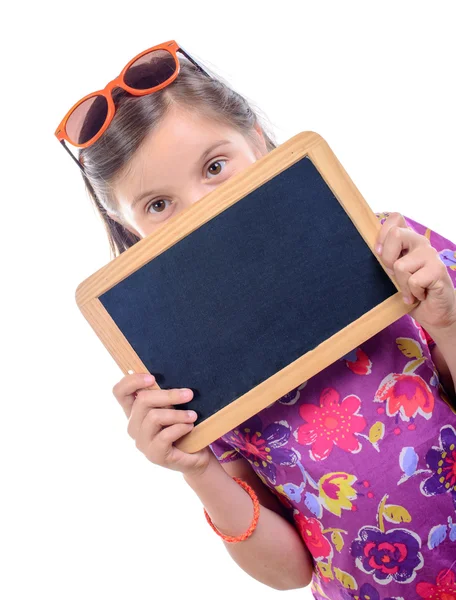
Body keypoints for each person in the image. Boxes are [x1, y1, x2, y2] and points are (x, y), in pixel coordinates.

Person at [55, 41, 456, 598]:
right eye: (158, 204)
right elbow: (289, 571)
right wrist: (197, 470)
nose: (200, 212)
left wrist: (447, 322)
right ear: (130, 234)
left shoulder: (385, 243)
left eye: (215, 167)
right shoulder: (187, 370)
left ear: (260, 142)